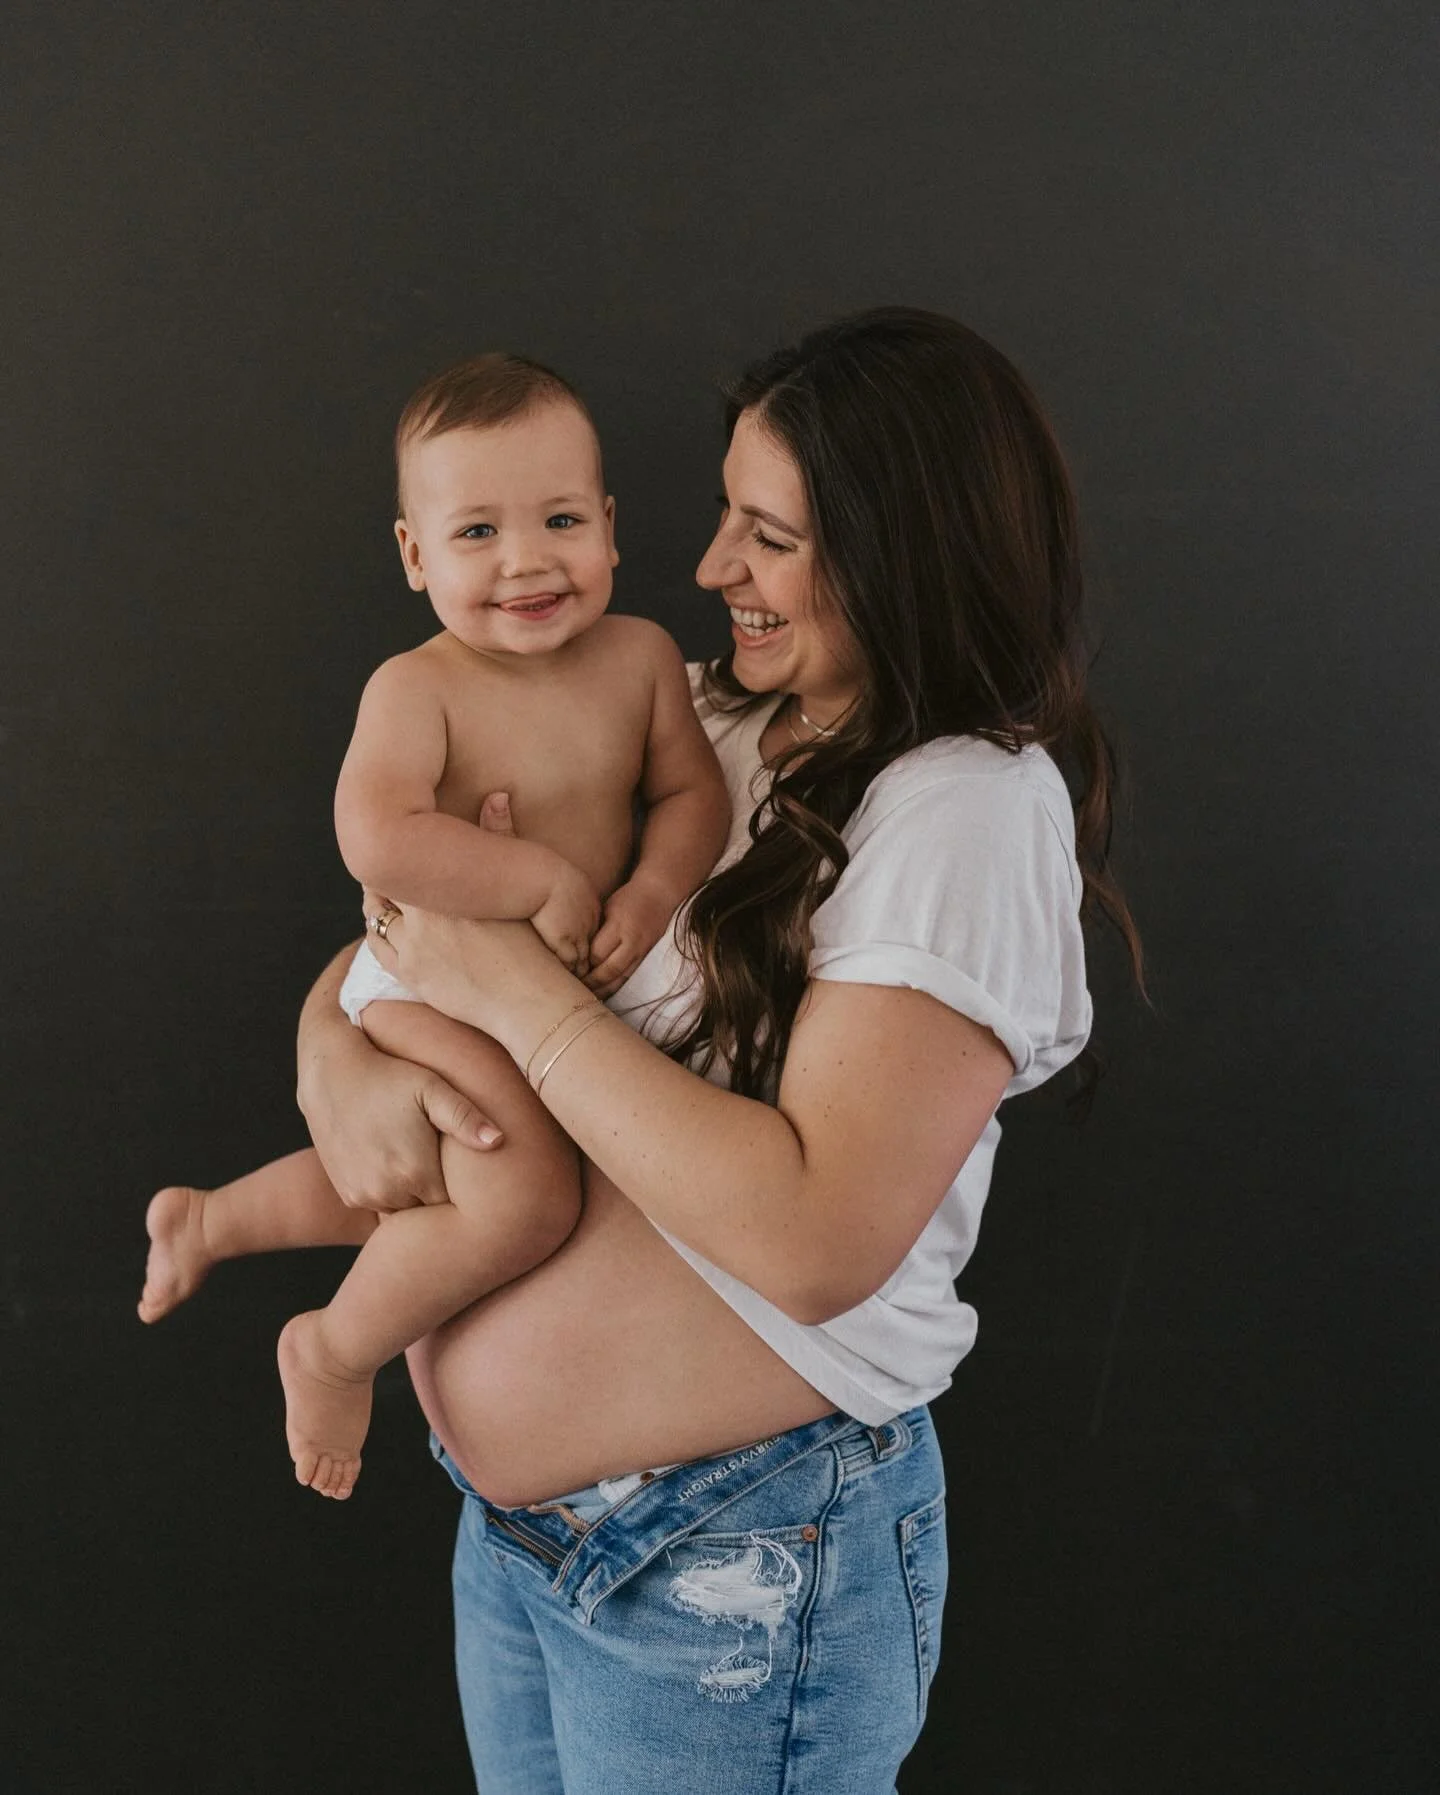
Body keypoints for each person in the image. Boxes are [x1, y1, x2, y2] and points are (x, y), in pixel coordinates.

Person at [295, 308, 1143, 1793]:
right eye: (724, 519)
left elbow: (816, 1236)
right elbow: (417, 926)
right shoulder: (712, 717)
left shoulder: (965, 807)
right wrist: (337, 1058)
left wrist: (526, 1004)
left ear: (900, 550)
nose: (709, 570)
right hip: (531, 1540)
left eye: (768, 535)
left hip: (733, 1555)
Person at [137, 352, 732, 1501]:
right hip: (427, 982)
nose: (526, 560)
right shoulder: (420, 687)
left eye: (561, 518)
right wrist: (535, 881)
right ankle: (333, 1348)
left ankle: (211, 1219)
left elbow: (693, 796)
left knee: (433, 1182)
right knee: (522, 1192)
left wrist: (652, 890)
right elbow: (377, 835)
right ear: (413, 554)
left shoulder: (644, 659)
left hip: (548, 998)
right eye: (475, 533)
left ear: (609, 527)